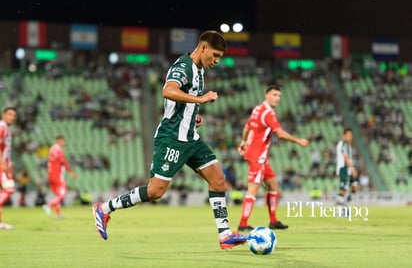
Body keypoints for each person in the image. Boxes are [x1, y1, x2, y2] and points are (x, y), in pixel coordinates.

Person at [92, 30, 247, 250]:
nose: (216, 61)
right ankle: (104, 208)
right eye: (214, 55)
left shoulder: (200, 70)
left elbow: (181, 101)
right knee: (156, 191)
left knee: (218, 180)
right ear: (203, 47)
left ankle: (224, 235)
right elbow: (168, 90)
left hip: (190, 137)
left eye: (219, 57)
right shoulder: (184, 67)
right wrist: (200, 99)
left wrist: (194, 112)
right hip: (172, 138)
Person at [237, 86, 309, 232]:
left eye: (279, 96)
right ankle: (243, 223)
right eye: (274, 95)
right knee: (253, 189)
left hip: (260, 156)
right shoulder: (268, 113)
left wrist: (244, 142)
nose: (277, 98)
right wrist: (298, 140)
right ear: (267, 95)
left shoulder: (257, 109)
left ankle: (273, 221)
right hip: (258, 156)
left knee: (273, 186)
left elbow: (247, 126)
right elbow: (280, 134)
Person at [43, 135, 77, 219]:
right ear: (58, 140)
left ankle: (57, 214)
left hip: (51, 175)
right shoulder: (58, 149)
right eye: (62, 141)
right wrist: (71, 172)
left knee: (57, 195)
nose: (63, 142)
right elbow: (63, 161)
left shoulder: (51, 149)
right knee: (62, 193)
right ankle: (49, 206)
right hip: (58, 175)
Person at [0, 107, 17, 229]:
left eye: (14, 115)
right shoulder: (2, 126)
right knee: (9, 188)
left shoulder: (6, 128)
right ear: (3, 115)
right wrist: (2, 162)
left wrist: (8, 161)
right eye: (10, 114)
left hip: (4, 164)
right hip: (1, 165)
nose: (12, 117)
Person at [335, 128, 358, 206]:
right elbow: (346, 157)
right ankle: (338, 209)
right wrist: (352, 169)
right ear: (343, 136)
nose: (350, 137)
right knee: (343, 189)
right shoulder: (343, 144)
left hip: (348, 169)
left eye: (351, 136)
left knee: (355, 186)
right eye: (348, 135)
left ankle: (344, 204)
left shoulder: (348, 145)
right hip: (344, 168)